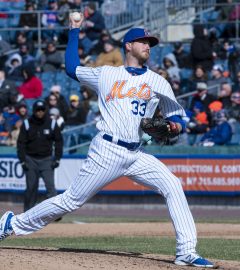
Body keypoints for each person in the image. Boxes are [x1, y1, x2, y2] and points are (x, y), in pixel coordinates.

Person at [0, 15, 215, 268]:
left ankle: (186, 251)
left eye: (150, 42)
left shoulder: (158, 81)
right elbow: (71, 69)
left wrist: (175, 124)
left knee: (172, 185)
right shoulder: (106, 74)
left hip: (136, 154)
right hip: (108, 150)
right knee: (71, 201)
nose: (148, 45)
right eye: (143, 41)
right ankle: (12, 223)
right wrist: (74, 31)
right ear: (128, 45)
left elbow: (177, 115)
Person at [16, 100, 63, 212]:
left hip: (46, 160)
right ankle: (27, 214)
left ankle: (55, 213)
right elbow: (21, 143)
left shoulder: (51, 123)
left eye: (42, 110)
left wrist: (57, 158)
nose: (40, 112)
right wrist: (22, 160)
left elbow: (59, 141)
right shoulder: (27, 124)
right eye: (38, 110)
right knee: (31, 188)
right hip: (30, 159)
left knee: (51, 188)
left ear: (45, 110)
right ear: (34, 111)